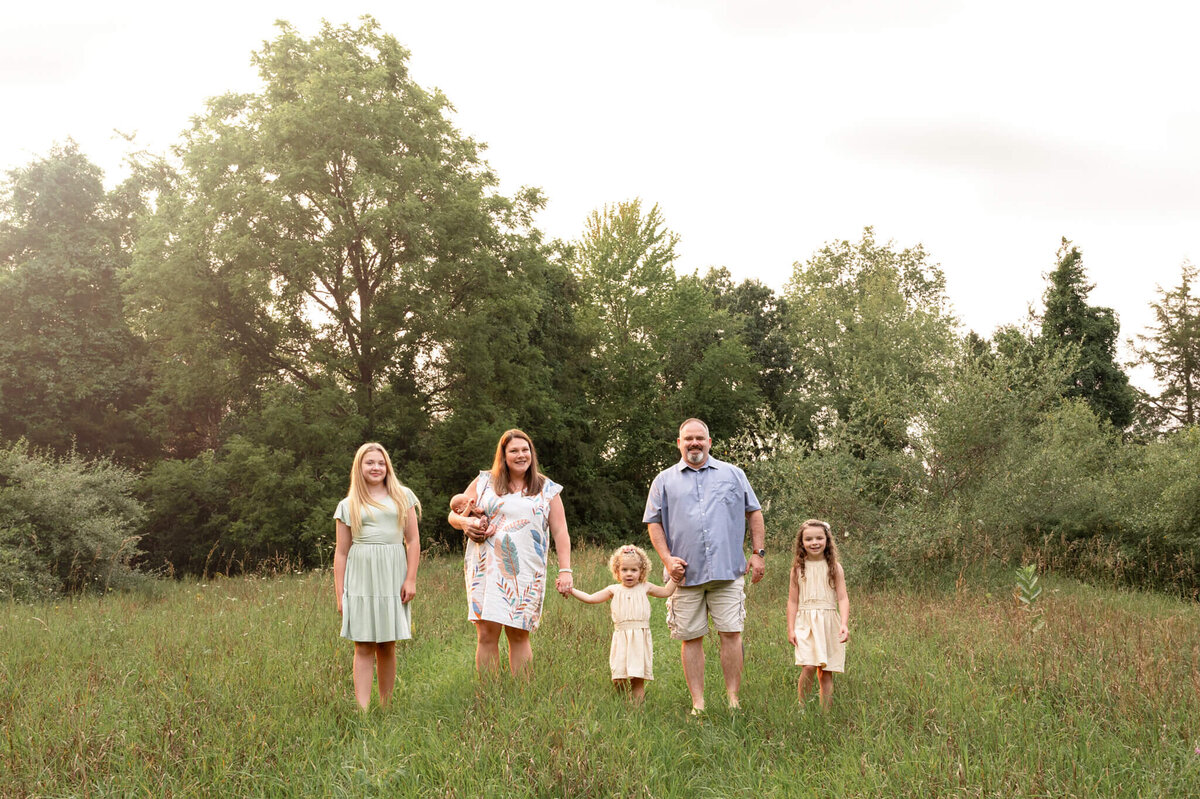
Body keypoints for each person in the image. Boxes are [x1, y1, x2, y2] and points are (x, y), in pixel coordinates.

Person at [643, 418, 765, 713]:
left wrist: (758, 553)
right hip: (685, 575)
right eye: (688, 439)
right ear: (679, 443)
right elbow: (654, 523)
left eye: (700, 438)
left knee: (731, 633)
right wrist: (667, 559)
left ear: (709, 442)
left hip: (728, 571)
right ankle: (698, 703)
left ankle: (733, 699)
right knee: (691, 637)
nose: (694, 443)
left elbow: (755, 512)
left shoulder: (733, 474)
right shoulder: (664, 480)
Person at [448, 429, 573, 675]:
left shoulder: (547, 488)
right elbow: (454, 512)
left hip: (526, 569)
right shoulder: (485, 481)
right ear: (503, 456)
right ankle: (489, 695)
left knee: (519, 632)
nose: (520, 455)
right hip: (486, 567)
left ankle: (521, 695)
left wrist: (565, 570)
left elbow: (561, 532)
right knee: (486, 633)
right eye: (513, 450)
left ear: (532, 453)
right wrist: (465, 523)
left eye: (525, 450)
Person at [333, 442, 421, 710]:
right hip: (361, 575)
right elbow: (341, 553)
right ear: (359, 467)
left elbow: (413, 541)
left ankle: (387, 705)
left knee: (387, 644)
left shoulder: (402, 496)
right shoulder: (348, 505)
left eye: (381, 462)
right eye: (370, 462)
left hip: (393, 573)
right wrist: (340, 594)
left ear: (387, 467)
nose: (376, 467)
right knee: (363, 645)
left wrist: (411, 579)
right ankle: (362, 710)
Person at [570, 544, 678, 703]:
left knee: (637, 678)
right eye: (624, 570)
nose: (629, 574)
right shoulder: (613, 590)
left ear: (641, 571)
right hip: (621, 638)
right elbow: (591, 598)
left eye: (634, 570)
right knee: (619, 676)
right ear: (617, 571)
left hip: (639, 638)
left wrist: (677, 576)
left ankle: (637, 711)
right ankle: (621, 705)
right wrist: (570, 590)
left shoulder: (645, 587)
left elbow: (666, 592)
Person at [786, 519, 849, 710]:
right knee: (809, 666)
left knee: (826, 670)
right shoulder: (798, 568)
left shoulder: (834, 567)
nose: (814, 542)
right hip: (805, 623)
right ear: (801, 542)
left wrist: (844, 624)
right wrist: (791, 629)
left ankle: (826, 713)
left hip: (829, 621)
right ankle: (802, 707)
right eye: (809, 539)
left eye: (819, 538)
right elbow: (793, 601)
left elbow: (843, 598)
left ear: (827, 541)